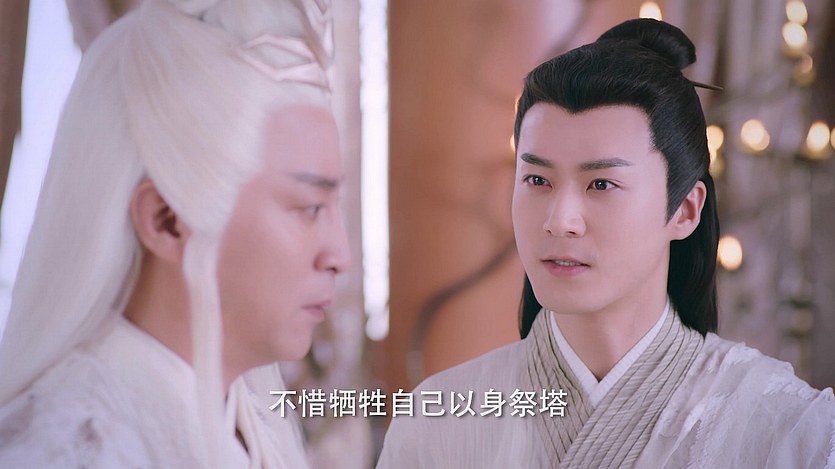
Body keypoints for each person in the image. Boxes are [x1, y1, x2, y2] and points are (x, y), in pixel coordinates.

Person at [377, 18, 835, 468]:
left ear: (685, 210)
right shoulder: (435, 423)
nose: (560, 222)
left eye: (601, 184)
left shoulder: (788, 428)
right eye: (537, 179)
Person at [0, 0, 349, 467]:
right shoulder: (64, 449)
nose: (339, 255)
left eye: (335, 205)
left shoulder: (247, 422)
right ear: (166, 221)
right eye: (309, 208)